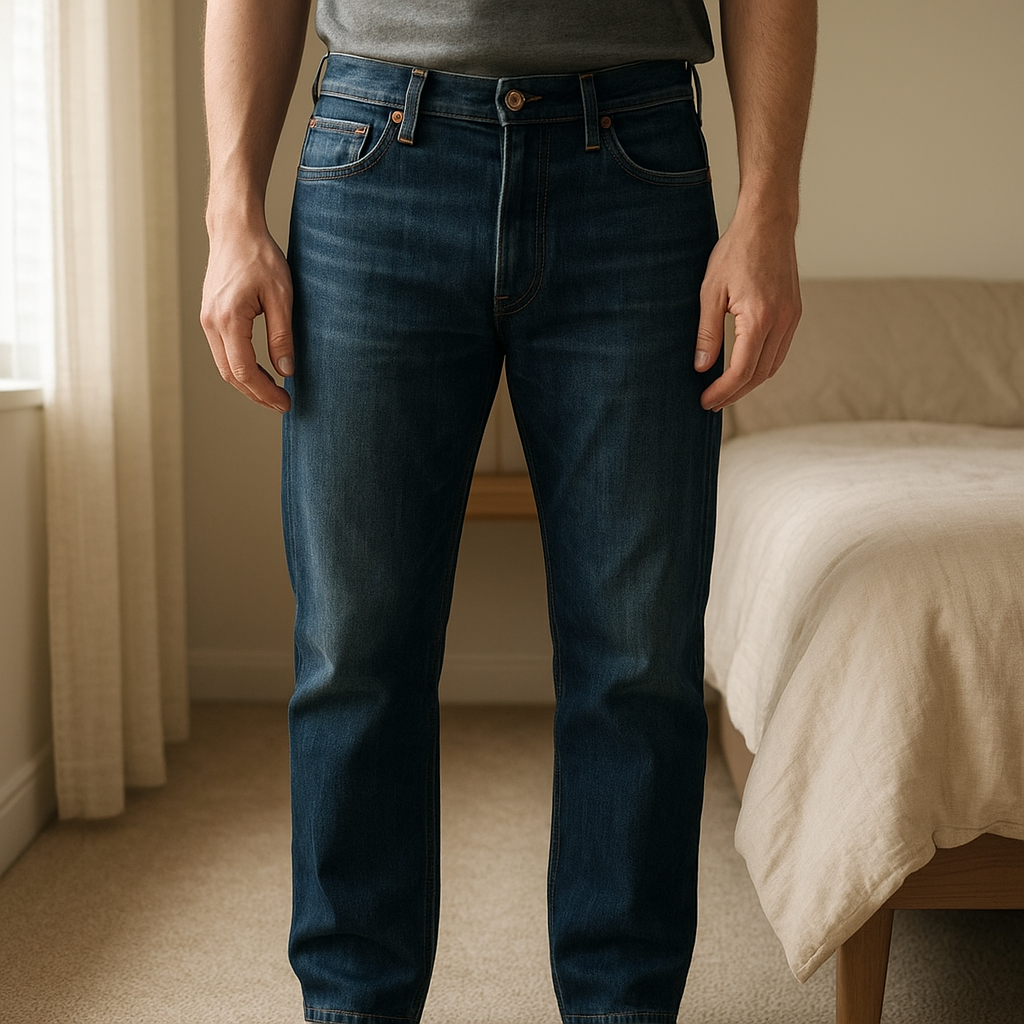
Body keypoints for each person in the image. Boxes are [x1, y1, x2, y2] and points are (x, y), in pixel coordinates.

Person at [200, 1, 815, 1021]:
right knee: (355, 650)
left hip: (635, 160)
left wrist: (770, 213)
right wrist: (230, 212)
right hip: (375, 152)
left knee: (637, 662)